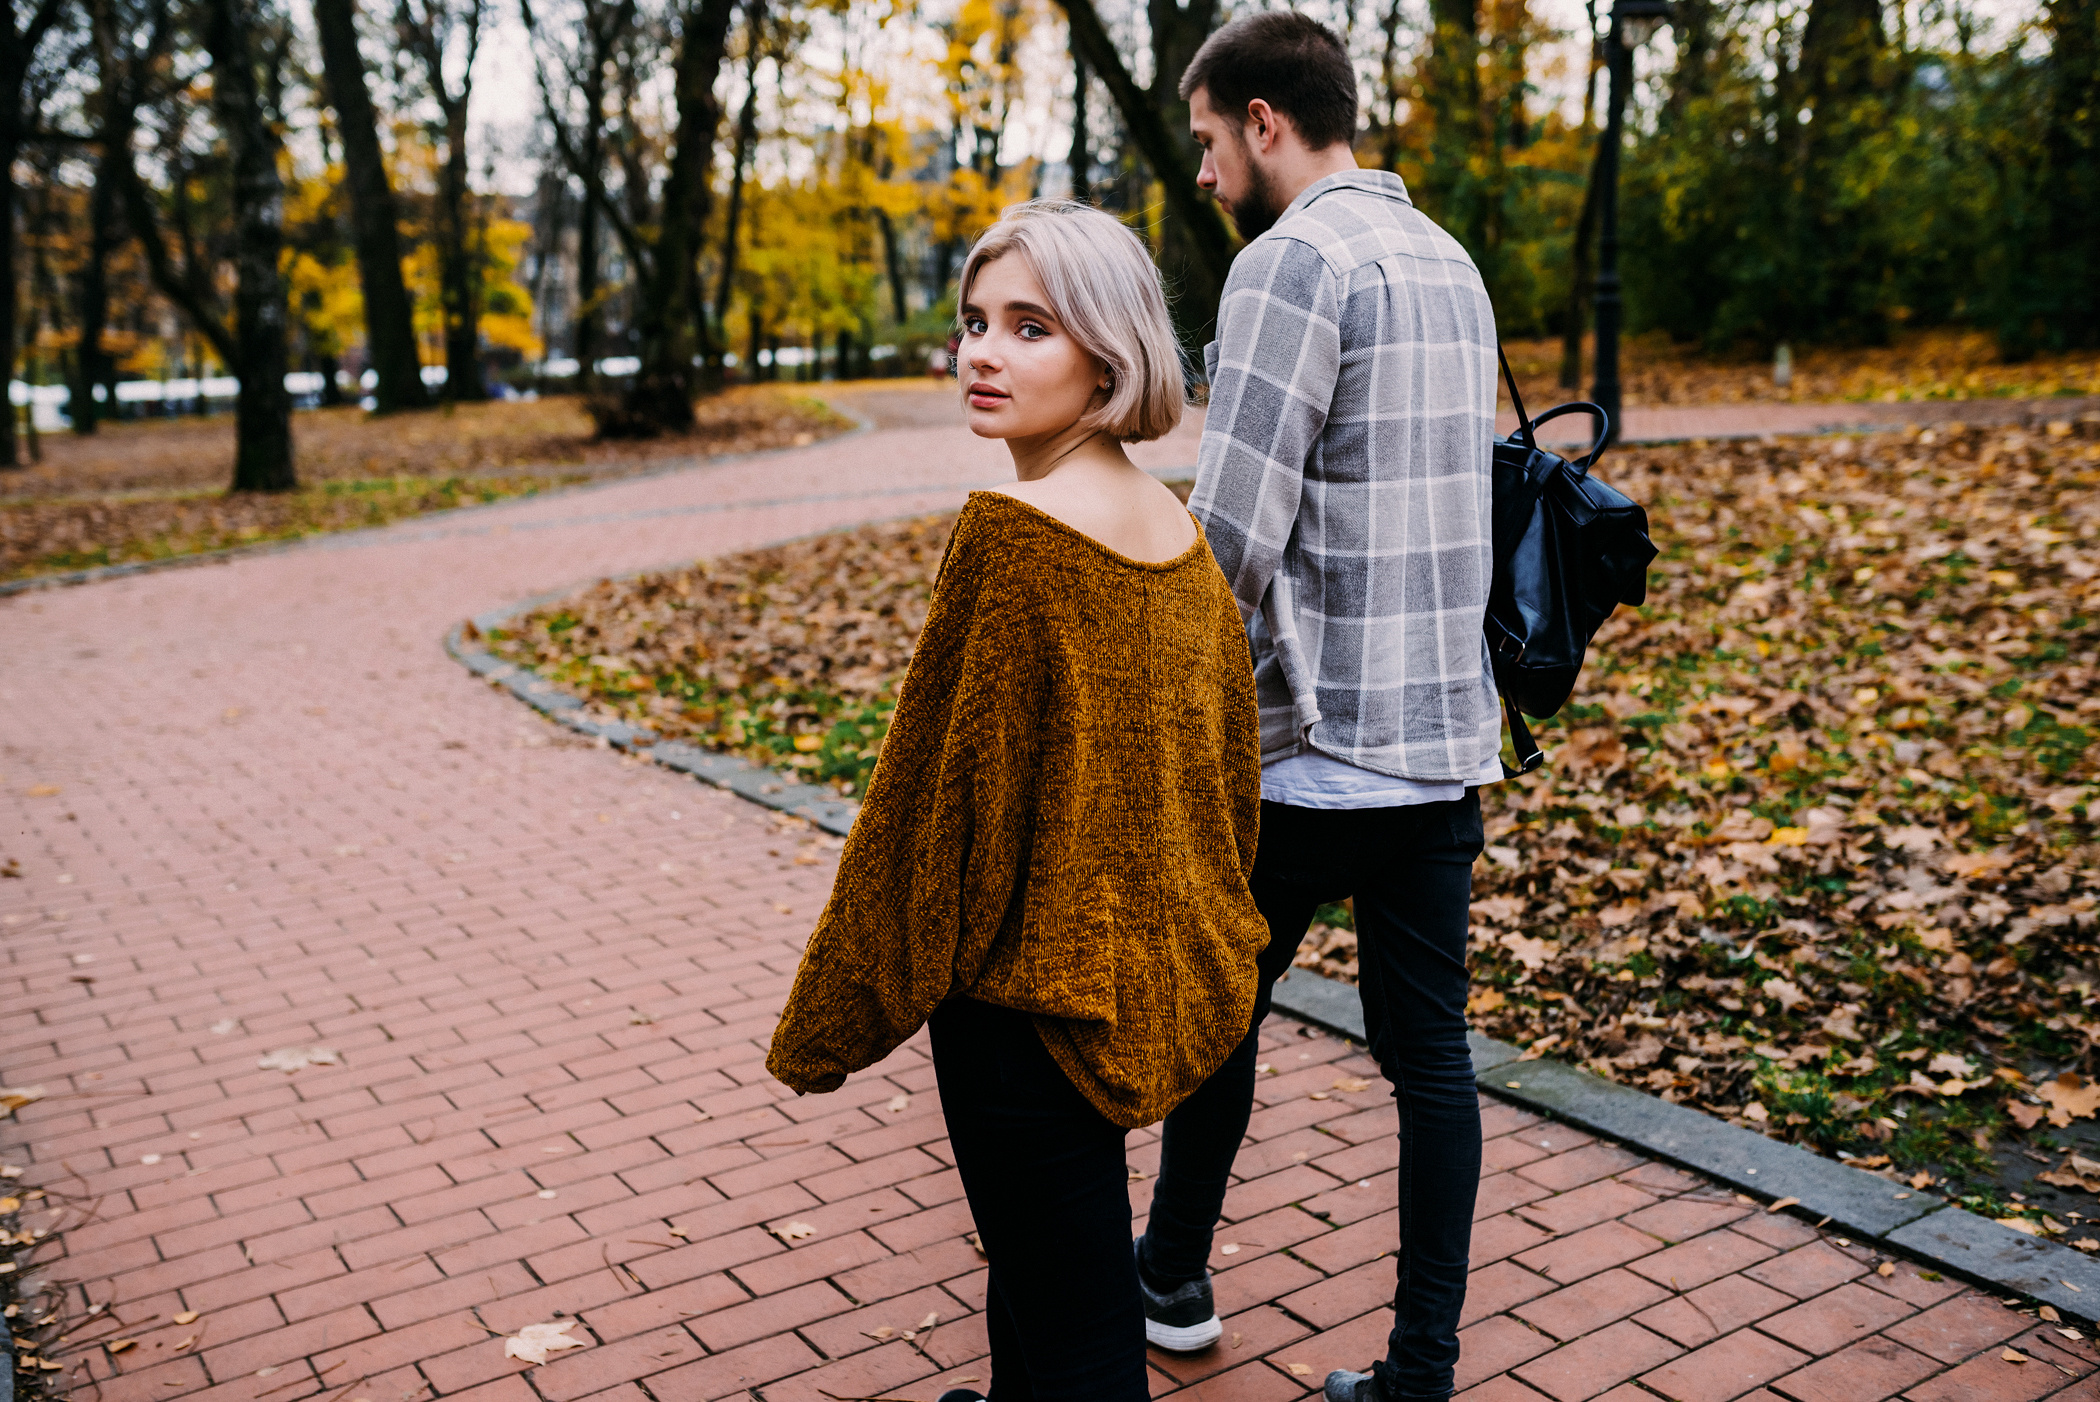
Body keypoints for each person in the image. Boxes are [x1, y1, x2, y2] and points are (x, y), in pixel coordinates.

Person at [766, 200, 1271, 1402]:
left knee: (1083, 1328)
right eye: (974, 323)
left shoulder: (1015, 535)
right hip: (1128, 966)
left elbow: (928, 812)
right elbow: (1224, 773)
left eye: (1028, 326)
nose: (981, 354)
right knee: (1047, 1278)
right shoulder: (1175, 527)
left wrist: (833, 1013)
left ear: (1109, 352)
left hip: (1021, 998)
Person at [1130, 13, 1503, 1402]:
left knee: (1220, 1016)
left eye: (1215, 138)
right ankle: (1421, 1370)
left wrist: (1159, 701)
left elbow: (1230, 530)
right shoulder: (1448, 259)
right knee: (1434, 1062)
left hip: (1306, 751)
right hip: (1439, 745)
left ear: (1268, 122)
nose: (1211, 168)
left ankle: (1168, 1273)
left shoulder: (1288, 266)